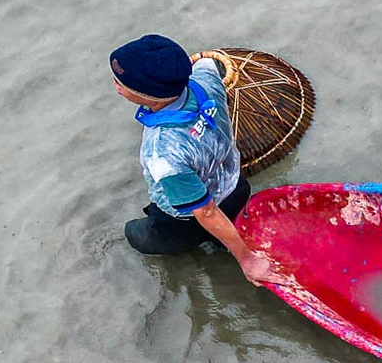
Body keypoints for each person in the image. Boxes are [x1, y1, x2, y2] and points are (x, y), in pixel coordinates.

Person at [110, 33, 283, 284]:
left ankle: (229, 250)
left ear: (150, 97)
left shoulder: (163, 153)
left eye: (121, 84)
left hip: (186, 221)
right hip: (235, 185)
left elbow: (206, 211)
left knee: (136, 236)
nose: (116, 86)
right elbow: (206, 61)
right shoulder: (205, 78)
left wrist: (248, 261)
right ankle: (225, 240)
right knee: (227, 227)